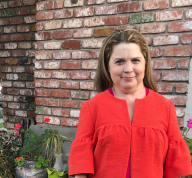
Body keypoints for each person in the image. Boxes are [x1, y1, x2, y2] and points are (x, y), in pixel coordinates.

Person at [68, 29, 192, 178]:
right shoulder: (92, 107)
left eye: (135, 60)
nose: (128, 69)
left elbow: (174, 166)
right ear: (108, 66)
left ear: (145, 63)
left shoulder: (165, 107)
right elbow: (81, 165)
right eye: (119, 61)